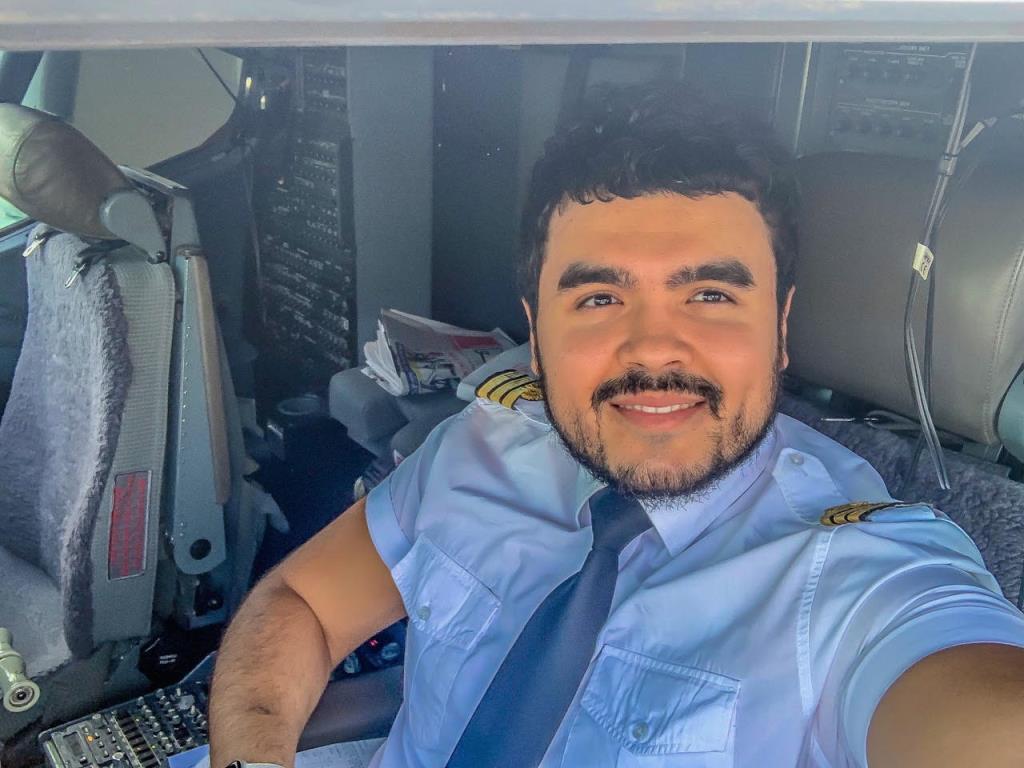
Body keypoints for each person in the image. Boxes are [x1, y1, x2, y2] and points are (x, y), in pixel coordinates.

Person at [208, 83, 1024, 767]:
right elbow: (303, 602)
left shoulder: (860, 572)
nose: (654, 347)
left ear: (779, 328)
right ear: (537, 332)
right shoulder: (484, 446)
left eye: (711, 295)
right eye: (599, 297)